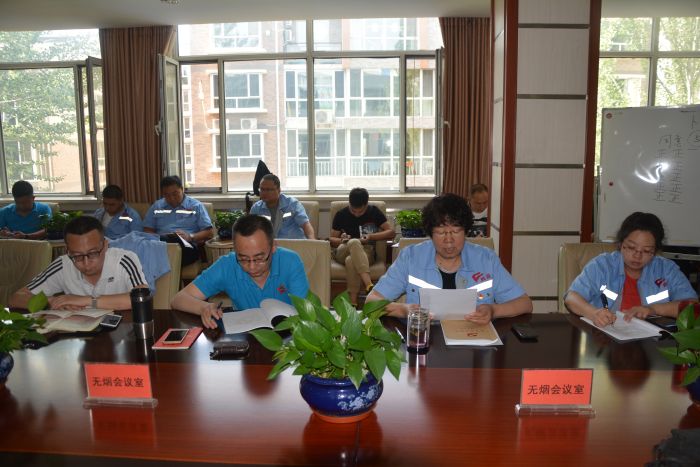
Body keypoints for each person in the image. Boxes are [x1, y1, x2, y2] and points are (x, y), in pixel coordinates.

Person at [366, 193, 532, 323]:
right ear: (430, 234)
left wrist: (493, 310)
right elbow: (371, 302)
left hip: (474, 343)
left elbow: (525, 304)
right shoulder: (411, 258)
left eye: (456, 231)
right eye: (440, 232)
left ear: (466, 230)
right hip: (425, 341)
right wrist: (403, 310)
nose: (449, 240)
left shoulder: (486, 259)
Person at [171, 214, 309, 329]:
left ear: (273, 247)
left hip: (288, 337)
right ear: (235, 250)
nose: (252, 267)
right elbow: (178, 299)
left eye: (259, 258)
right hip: (246, 336)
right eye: (243, 259)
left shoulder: (291, 261)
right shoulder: (227, 265)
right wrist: (203, 307)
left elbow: (304, 312)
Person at [565, 212, 697, 327]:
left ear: (655, 251)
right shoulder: (603, 265)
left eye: (646, 251)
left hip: (651, 339)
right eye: (631, 247)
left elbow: (692, 306)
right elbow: (571, 298)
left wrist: (653, 309)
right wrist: (594, 313)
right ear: (621, 244)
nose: (637, 256)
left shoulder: (666, 269)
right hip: (604, 335)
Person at [9, 215, 147, 311]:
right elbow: (16, 298)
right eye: (77, 256)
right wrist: (53, 302)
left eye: (93, 253)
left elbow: (142, 297)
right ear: (68, 251)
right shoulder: (63, 264)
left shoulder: (124, 260)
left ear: (105, 245)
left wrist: (87, 300)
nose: (86, 263)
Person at [330, 188, 395, 305]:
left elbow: (391, 232)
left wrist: (371, 237)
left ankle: (353, 303)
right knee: (354, 242)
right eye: (353, 211)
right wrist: (342, 240)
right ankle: (368, 284)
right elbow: (332, 240)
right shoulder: (341, 214)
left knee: (351, 261)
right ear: (349, 203)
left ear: (366, 204)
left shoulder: (374, 212)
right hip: (343, 250)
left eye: (360, 212)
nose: (356, 214)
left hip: (366, 252)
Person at [143, 175, 213, 266]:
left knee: (177, 247)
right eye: (167, 195)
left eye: (175, 194)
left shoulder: (196, 206)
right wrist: (156, 239)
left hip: (186, 245)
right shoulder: (157, 206)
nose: (172, 198)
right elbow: (147, 230)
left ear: (182, 189)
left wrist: (190, 237)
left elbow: (209, 232)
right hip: (161, 244)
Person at [250, 174, 315, 239]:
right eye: (262, 189)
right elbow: (250, 230)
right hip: (270, 244)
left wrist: (312, 242)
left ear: (279, 190)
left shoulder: (292, 204)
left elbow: (306, 225)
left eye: (268, 190)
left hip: (293, 243)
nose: (264, 193)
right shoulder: (256, 208)